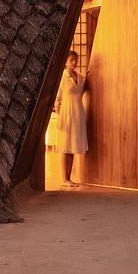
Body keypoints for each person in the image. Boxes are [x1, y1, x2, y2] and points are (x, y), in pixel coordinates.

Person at [54, 50, 89, 187]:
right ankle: (64, 178)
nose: (74, 62)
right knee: (65, 146)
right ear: (66, 62)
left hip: (77, 113)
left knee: (72, 145)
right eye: (71, 60)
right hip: (66, 113)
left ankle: (69, 178)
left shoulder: (79, 78)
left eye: (76, 60)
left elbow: (83, 89)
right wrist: (59, 115)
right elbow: (57, 99)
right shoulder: (62, 78)